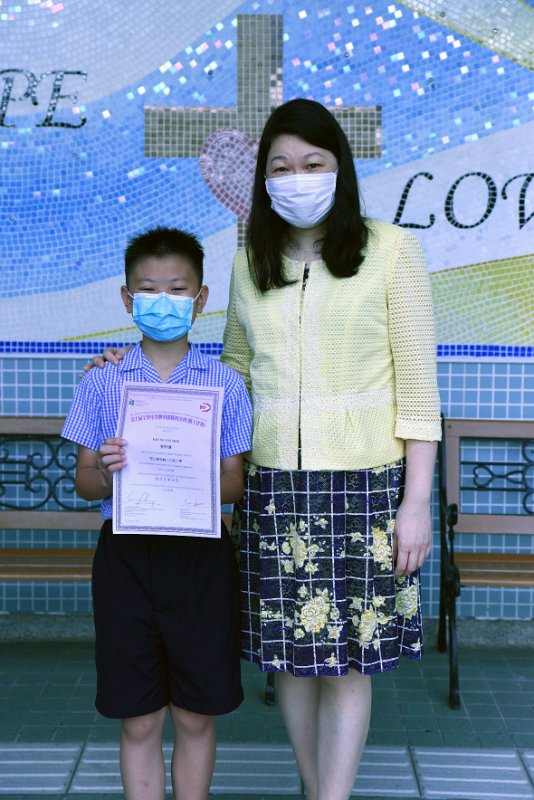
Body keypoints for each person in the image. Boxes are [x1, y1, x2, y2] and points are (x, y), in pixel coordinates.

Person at [87, 99, 442, 800]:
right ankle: (315, 789)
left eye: (312, 163)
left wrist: (417, 503)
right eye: (281, 166)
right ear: (264, 180)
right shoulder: (253, 261)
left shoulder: (392, 250)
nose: (297, 176)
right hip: (274, 487)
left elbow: (420, 385)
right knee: (292, 663)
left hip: (365, 483)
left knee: (346, 665)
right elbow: (233, 374)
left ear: (339, 169)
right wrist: (136, 380)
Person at [63, 226, 252, 800]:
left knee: (195, 715)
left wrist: (192, 469)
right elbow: (85, 484)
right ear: (127, 298)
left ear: (200, 299)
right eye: (148, 289)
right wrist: (110, 466)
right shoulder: (103, 379)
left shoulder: (225, 384)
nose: (162, 300)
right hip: (127, 558)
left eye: (177, 290)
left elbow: (235, 484)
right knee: (140, 718)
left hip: (201, 555)